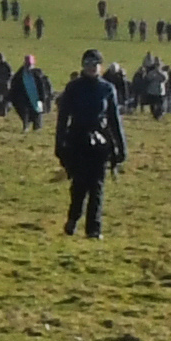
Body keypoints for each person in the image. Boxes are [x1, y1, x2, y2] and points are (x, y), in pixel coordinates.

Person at [55, 49, 129, 237]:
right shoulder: (73, 88)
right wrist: (59, 144)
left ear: (100, 66)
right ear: (83, 66)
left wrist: (121, 147)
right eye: (88, 64)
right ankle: (73, 218)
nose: (92, 68)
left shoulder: (107, 89)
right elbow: (63, 118)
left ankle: (94, 229)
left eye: (95, 64)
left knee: (97, 186)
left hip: (100, 144)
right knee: (79, 185)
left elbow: (114, 120)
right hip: (77, 141)